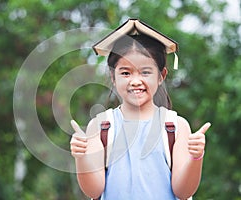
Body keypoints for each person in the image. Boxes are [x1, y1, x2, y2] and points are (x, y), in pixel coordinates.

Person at [70, 19, 211, 200]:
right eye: (125, 73)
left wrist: (196, 158)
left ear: (161, 76)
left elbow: (183, 192)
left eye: (145, 72)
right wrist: (81, 157)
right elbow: (94, 191)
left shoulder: (175, 126)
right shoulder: (100, 126)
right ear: (113, 76)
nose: (135, 81)